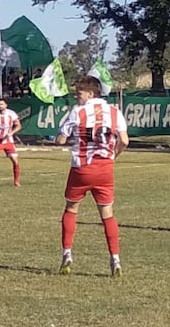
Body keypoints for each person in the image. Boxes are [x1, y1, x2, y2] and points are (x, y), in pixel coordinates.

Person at [54, 75, 129, 277]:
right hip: (105, 168)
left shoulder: (78, 112)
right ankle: (115, 259)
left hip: (81, 168)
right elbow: (124, 140)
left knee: (71, 208)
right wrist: (113, 155)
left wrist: (59, 137)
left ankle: (67, 254)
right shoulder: (115, 112)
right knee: (107, 213)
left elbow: (61, 139)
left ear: (91, 93)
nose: (77, 97)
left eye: (79, 93)